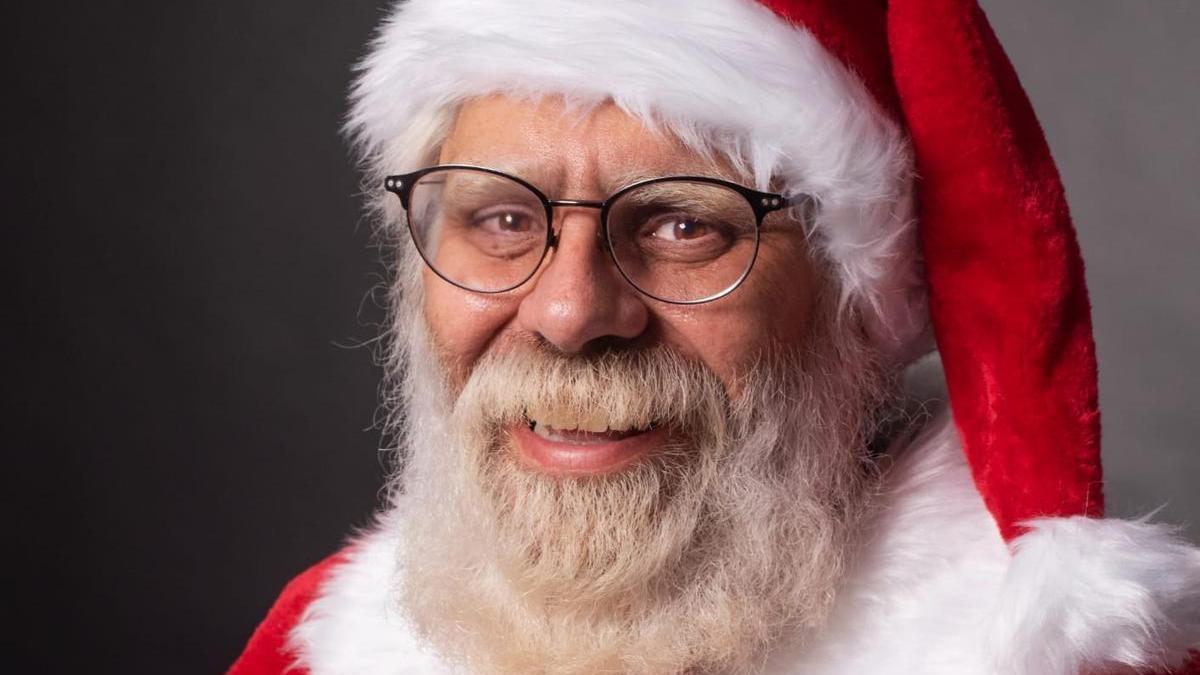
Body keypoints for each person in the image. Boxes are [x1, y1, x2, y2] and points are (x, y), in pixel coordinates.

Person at [231, 0, 1200, 672]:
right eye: (503, 221)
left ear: (859, 298)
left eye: (686, 225)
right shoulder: (320, 647)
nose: (569, 315)